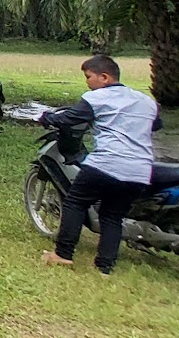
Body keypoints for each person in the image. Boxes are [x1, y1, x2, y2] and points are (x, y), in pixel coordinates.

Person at [40, 55, 161, 275]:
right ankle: (105, 266)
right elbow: (156, 125)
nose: (87, 82)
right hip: (140, 171)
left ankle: (63, 254)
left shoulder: (98, 98)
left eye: (89, 77)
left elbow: (70, 118)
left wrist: (47, 117)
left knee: (74, 202)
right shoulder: (145, 101)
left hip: (107, 163)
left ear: (104, 77)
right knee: (112, 216)